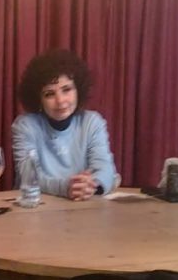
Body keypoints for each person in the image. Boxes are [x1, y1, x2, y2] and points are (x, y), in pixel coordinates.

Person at [11, 49, 117, 200]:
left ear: (78, 90)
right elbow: (28, 176)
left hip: (82, 205)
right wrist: (66, 187)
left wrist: (91, 186)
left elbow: (105, 168)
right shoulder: (25, 126)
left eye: (66, 90)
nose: (60, 101)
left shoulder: (92, 122)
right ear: (38, 99)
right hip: (35, 206)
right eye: (49, 94)